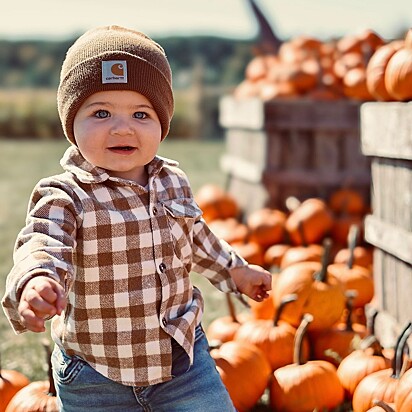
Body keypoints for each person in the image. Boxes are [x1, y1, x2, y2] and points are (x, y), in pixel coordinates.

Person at [1, 25, 272, 411]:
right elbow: (42, 242)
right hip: (96, 375)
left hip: (184, 365)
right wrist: (36, 280)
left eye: (141, 113)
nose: (122, 127)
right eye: (100, 112)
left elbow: (195, 236)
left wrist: (236, 271)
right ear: (70, 125)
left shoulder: (173, 181)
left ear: (163, 123)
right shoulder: (65, 195)